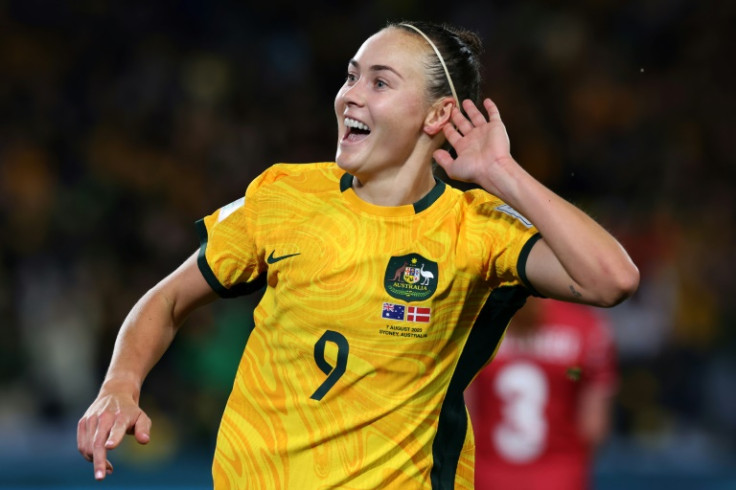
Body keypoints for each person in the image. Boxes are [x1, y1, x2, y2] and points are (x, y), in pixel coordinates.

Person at [77, 21, 639, 489]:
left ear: (437, 115)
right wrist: (119, 385)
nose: (351, 95)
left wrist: (502, 174)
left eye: (380, 82)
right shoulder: (284, 194)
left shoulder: (477, 230)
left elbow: (611, 280)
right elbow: (170, 298)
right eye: (351, 76)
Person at [466, 297, 617, 490]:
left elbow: (462, 418)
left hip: (485, 476)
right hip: (561, 477)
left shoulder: (476, 326)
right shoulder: (587, 327)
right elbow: (594, 429)